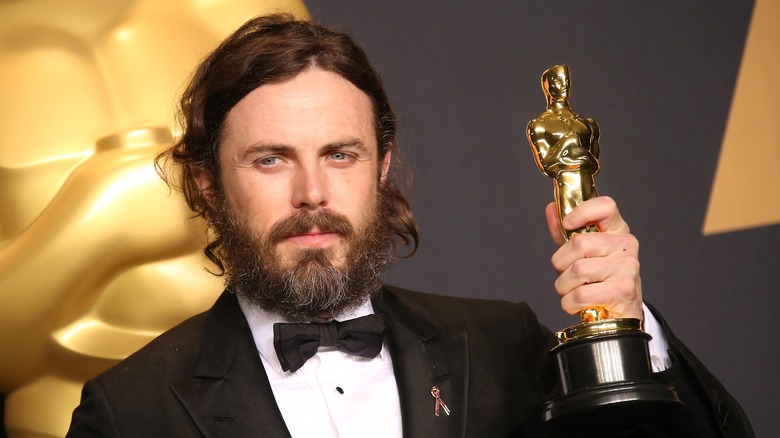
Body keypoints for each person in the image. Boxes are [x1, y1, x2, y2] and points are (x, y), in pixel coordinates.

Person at [67, 14, 753, 437]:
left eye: (341, 154)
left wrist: (628, 327)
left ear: (381, 168)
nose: (313, 194)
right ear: (207, 185)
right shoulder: (130, 411)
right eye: (270, 159)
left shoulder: (505, 349)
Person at [528, 64, 601, 241]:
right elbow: (547, 164)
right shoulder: (540, 124)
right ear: (547, 85)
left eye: (565, 80)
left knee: (596, 230)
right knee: (574, 233)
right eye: (556, 80)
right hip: (567, 182)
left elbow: (594, 157)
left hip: (586, 181)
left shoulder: (587, 123)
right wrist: (568, 144)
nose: (562, 85)